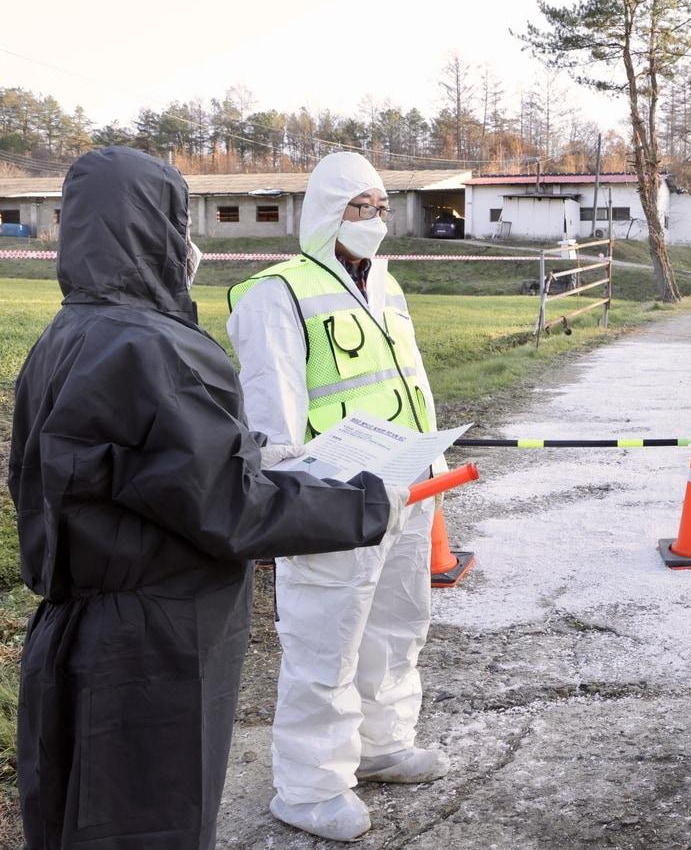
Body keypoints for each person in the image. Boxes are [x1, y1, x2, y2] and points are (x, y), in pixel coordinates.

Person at [8, 146, 409, 850]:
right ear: (152, 230)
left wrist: (246, 455)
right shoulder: (153, 347)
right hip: (156, 634)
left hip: (79, 617)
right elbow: (227, 506)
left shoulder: (65, 337)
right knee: (152, 813)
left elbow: (145, 471)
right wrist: (365, 508)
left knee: (79, 806)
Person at [227, 152, 445, 842]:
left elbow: (407, 380)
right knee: (326, 641)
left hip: (409, 484)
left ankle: (383, 744)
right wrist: (292, 498)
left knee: (398, 625)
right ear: (325, 210)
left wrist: (434, 460)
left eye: (382, 206)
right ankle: (310, 786)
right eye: (362, 205)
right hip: (332, 496)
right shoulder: (277, 293)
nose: (377, 218)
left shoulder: (387, 283)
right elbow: (273, 412)